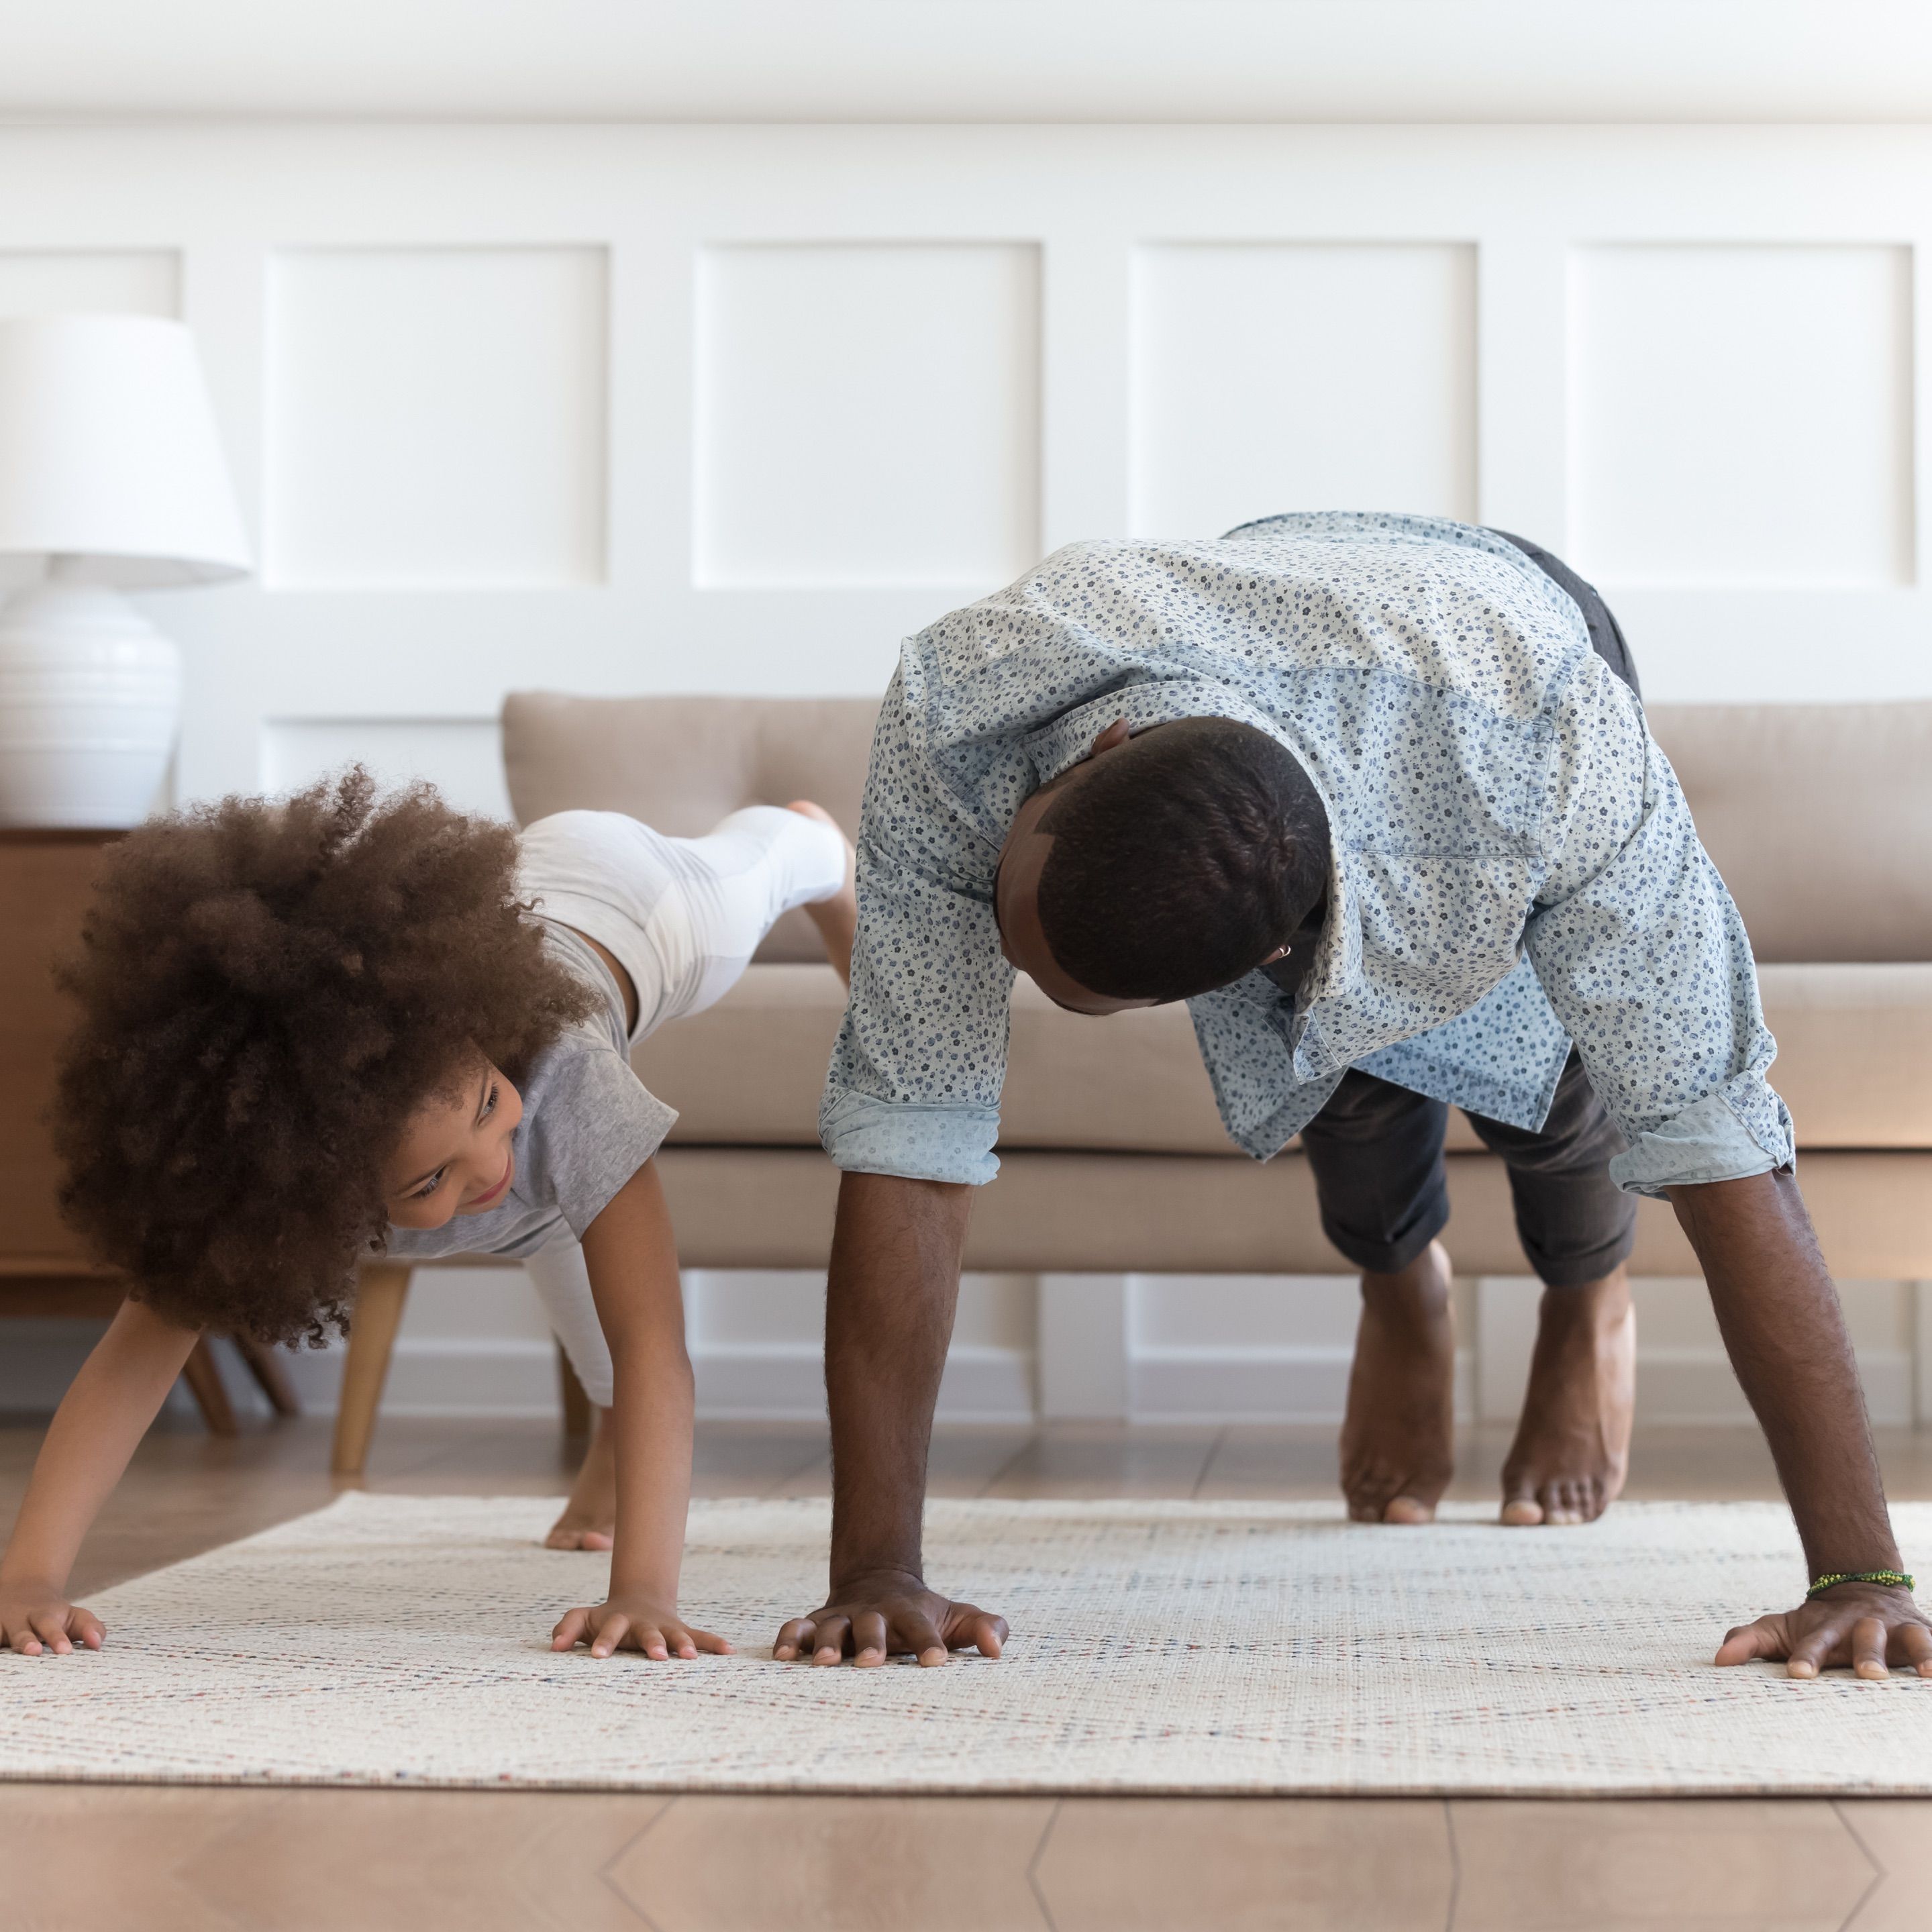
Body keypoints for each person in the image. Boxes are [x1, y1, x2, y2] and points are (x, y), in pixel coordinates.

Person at [779, 510, 1932, 1682]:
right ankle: (1399, 1283)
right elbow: (912, 1134)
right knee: (1349, 1082)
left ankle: (1587, 1298)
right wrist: (877, 1572)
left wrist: (1862, 1577)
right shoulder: (966, 702)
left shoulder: (1556, 748)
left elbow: (1714, 1132)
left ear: (1271, 954)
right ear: (1094, 751)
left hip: (1510, 633)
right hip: (1286, 581)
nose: (1007, 965)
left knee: (1565, 1090)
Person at [0, 770, 856, 1663]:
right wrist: (28, 1577)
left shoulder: (567, 1083)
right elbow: (128, 1370)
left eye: (486, 1105)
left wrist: (643, 1592)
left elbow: (655, 1347)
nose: (490, 1164)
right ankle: (608, 1460)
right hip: (532, 935)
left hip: (628, 903)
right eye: (426, 1182)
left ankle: (814, 843)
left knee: (754, 876)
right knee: (551, 1218)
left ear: (483, 1038)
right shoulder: (277, 1179)